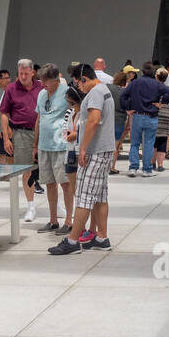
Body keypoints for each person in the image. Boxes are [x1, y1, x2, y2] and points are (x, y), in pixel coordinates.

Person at [49, 64, 115, 255]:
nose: (78, 88)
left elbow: (94, 120)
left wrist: (83, 148)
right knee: (100, 196)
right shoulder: (105, 90)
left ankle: (71, 241)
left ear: (84, 79)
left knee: (84, 197)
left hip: (95, 151)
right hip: (105, 150)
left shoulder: (95, 92)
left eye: (78, 84)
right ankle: (102, 238)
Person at [0, 59, 42, 222]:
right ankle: (31, 206)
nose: (23, 77)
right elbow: (3, 113)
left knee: (48, 169)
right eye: (20, 74)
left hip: (43, 133)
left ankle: (56, 204)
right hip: (21, 133)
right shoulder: (11, 89)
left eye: (26, 73)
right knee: (26, 170)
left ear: (32, 72)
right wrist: (6, 138)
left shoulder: (42, 87)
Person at [34, 65, 74, 233]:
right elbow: (39, 118)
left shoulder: (68, 93)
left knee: (65, 183)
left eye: (46, 81)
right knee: (49, 183)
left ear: (56, 80)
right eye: (41, 81)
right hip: (44, 145)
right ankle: (52, 220)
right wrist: (35, 145)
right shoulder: (42, 94)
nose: (42, 84)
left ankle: (69, 220)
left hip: (61, 145)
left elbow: (76, 114)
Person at [122, 65, 169, 177]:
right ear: (154, 74)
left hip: (137, 115)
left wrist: (127, 109)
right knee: (149, 144)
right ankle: (147, 169)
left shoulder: (135, 83)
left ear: (143, 72)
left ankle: (133, 168)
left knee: (135, 143)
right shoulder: (157, 84)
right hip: (151, 116)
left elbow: (123, 96)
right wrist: (161, 103)